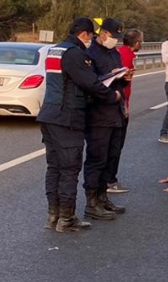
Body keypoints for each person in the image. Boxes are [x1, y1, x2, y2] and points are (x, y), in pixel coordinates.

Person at [36, 17, 126, 233]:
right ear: (85, 34)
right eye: (91, 36)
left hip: (49, 114)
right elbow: (90, 83)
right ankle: (66, 219)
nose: (91, 40)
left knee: (54, 168)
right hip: (67, 117)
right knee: (68, 169)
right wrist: (112, 95)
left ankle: (54, 215)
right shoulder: (75, 54)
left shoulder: (55, 50)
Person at [83, 17, 129, 221]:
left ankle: (102, 198)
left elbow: (117, 81)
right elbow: (91, 83)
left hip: (115, 112)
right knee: (97, 159)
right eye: (112, 36)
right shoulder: (90, 53)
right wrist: (108, 77)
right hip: (98, 114)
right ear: (102, 33)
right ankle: (91, 203)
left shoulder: (114, 53)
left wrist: (122, 78)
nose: (115, 40)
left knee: (111, 157)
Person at [106, 28, 143, 194]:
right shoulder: (126, 55)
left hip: (115, 103)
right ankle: (110, 180)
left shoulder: (119, 51)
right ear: (136, 43)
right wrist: (125, 106)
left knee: (111, 144)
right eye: (140, 41)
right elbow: (123, 82)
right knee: (116, 144)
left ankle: (107, 179)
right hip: (119, 104)